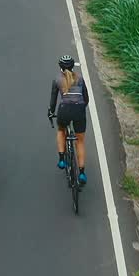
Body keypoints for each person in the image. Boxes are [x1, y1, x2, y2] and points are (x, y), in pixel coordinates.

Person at [48, 54, 88, 186]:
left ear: (60, 67)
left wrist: (51, 112)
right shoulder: (80, 79)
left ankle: (61, 159)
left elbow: (53, 101)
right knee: (80, 141)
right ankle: (81, 173)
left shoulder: (57, 79)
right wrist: (80, 109)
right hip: (79, 110)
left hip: (64, 110)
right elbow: (86, 99)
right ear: (72, 66)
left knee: (61, 130)